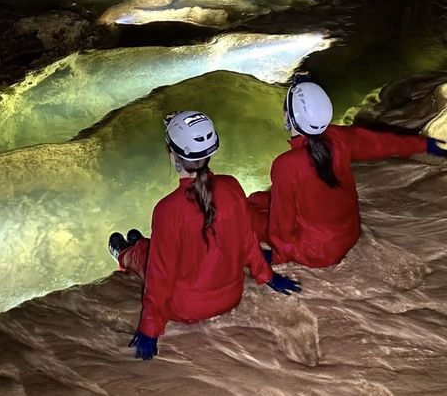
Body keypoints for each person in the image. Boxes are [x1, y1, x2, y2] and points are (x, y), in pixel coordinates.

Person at [108, 110, 302, 361]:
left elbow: (160, 277)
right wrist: (267, 276)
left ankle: (124, 253)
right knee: (168, 247)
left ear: (172, 155)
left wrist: (150, 329)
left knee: (147, 256)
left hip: (186, 308)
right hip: (231, 296)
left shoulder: (167, 209)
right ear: (210, 153)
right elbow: (248, 241)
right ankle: (136, 243)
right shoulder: (232, 186)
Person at [247, 75, 447, 268]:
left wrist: (278, 256)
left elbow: (282, 225)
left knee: (246, 213)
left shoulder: (286, 164)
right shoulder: (337, 137)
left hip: (317, 250)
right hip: (348, 233)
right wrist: (424, 144)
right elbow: (381, 143)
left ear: (288, 117)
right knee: (259, 198)